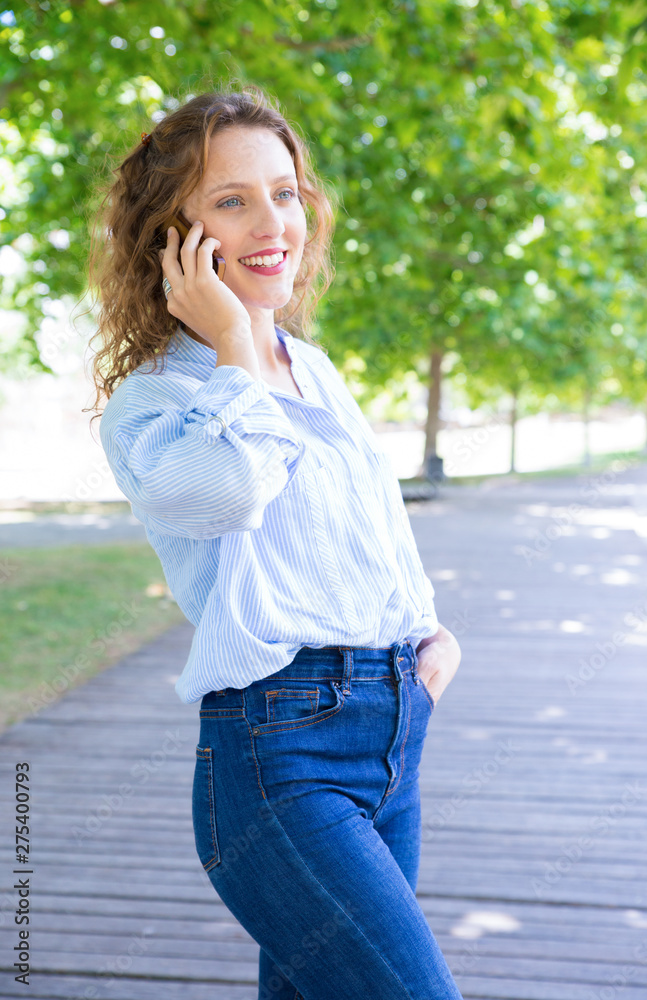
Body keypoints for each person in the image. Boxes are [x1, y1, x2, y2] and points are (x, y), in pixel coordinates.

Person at [86, 83, 464, 1000]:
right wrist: (232, 341)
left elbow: (372, 518)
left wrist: (427, 630)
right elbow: (232, 490)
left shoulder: (314, 369)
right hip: (279, 757)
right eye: (231, 200)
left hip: (393, 732)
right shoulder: (153, 403)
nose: (273, 223)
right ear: (171, 239)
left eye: (284, 193)